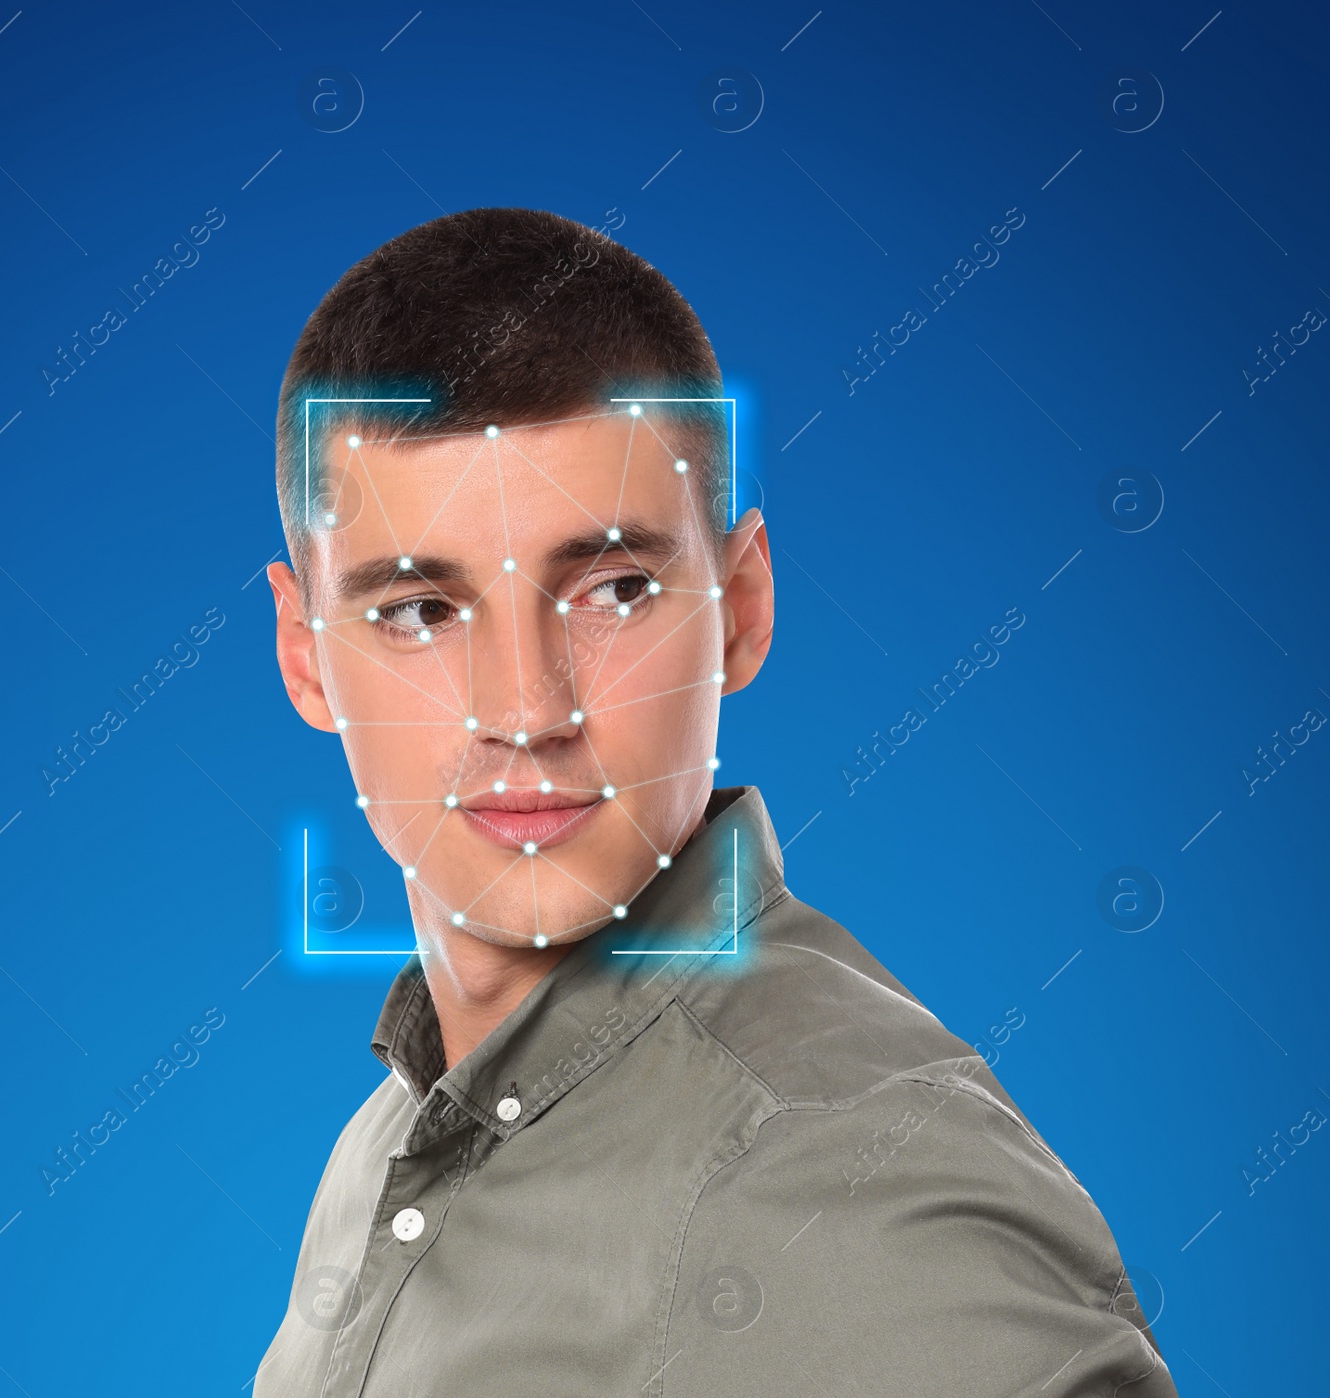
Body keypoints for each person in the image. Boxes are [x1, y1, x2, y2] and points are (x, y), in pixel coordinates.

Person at [253, 208, 1175, 1396]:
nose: (527, 709)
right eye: (420, 612)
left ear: (739, 608)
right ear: (304, 653)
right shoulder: (382, 1149)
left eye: (613, 589)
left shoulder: (853, 1183)